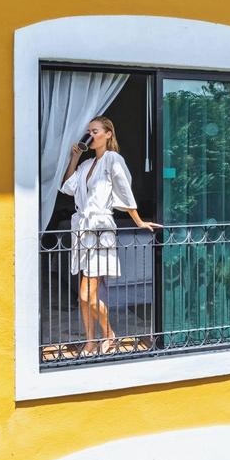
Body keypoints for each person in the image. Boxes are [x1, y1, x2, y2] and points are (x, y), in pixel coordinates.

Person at [60, 116, 161, 356]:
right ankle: (90, 341)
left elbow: (124, 190)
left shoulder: (113, 160)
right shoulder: (86, 165)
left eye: (95, 131)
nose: (90, 135)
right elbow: (67, 186)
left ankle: (109, 334)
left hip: (100, 231)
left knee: (88, 294)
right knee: (84, 297)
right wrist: (74, 157)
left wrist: (138, 221)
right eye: (88, 131)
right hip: (83, 232)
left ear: (108, 134)